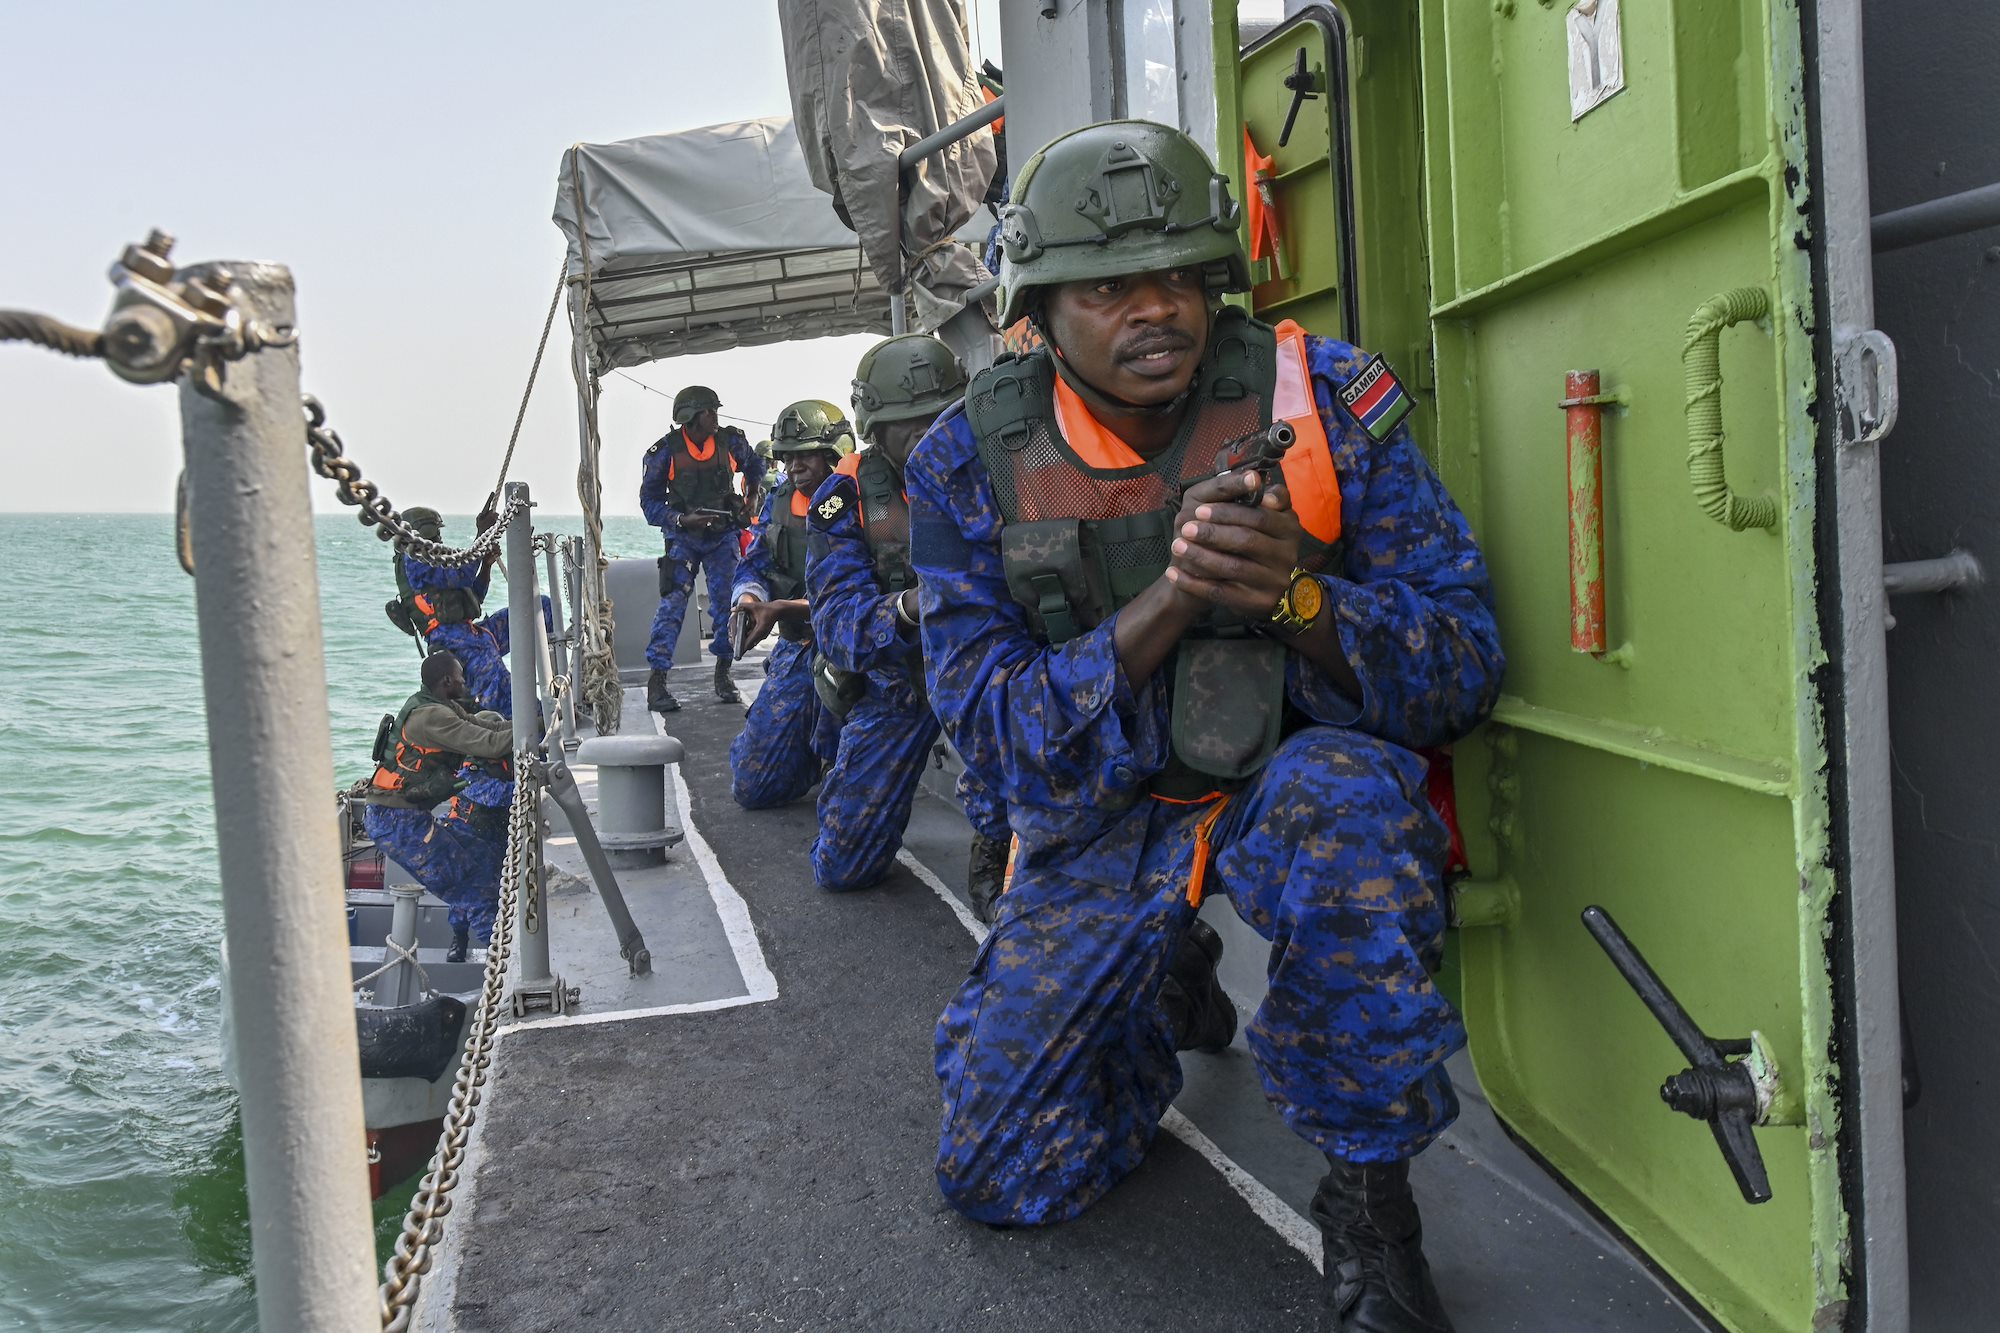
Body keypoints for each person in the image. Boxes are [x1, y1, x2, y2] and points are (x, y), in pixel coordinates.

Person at [906, 121, 1504, 1333]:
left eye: (1181, 276)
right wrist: (1171, 601)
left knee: (1349, 820)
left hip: (1287, 771)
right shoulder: (966, 461)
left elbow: (1462, 669)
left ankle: (1369, 1203)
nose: (1156, 310)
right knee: (1001, 1171)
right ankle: (1145, 997)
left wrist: (1298, 600)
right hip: (1109, 812)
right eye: (1110, 286)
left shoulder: (1324, 400)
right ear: (1037, 308)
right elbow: (992, 732)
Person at [803, 335, 1011, 905]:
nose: (924, 434)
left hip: (991, 670)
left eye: (935, 416)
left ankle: (999, 845)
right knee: (844, 867)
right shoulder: (843, 501)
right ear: (875, 430)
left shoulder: (1003, 466)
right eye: (905, 424)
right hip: (904, 679)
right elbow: (837, 627)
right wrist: (912, 607)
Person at [726, 402, 851, 809]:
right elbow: (755, 562)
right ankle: (803, 757)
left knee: (847, 792)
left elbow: (857, 593)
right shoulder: (779, 503)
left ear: (834, 454)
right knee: (752, 786)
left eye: (806, 454)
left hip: (855, 650)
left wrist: (782, 608)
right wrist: (749, 599)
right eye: (788, 456)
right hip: (798, 647)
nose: (795, 465)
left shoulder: (860, 500)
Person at [361, 651, 516, 960]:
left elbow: (489, 729)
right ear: (447, 681)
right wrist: (536, 726)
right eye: (460, 675)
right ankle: (505, 972)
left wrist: (536, 720)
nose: (464, 679)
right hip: (396, 821)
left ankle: (486, 951)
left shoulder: (438, 706)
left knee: (485, 861)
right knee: (475, 889)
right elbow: (491, 744)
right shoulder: (433, 717)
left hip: (404, 815)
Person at [640, 385, 763, 713]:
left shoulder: (730, 442)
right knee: (672, 605)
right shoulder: (664, 452)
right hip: (683, 538)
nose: (715, 417)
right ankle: (658, 681)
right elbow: (649, 502)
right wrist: (681, 519)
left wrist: (750, 498)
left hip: (723, 537)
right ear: (691, 417)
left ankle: (723, 672)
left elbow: (755, 467)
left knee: (728, 604)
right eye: (709, 411)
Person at [394, 504, 520, 718]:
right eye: (436, 532)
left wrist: (486, 566)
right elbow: (461, 575)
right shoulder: (415, 561)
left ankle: (560, 680)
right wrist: (482, 534)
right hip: (455, 644)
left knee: (540, 611)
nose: (440, 538)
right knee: (507, 698)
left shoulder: (434, 558)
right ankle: (537, 732)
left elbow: (473, 597)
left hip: (473, 634)